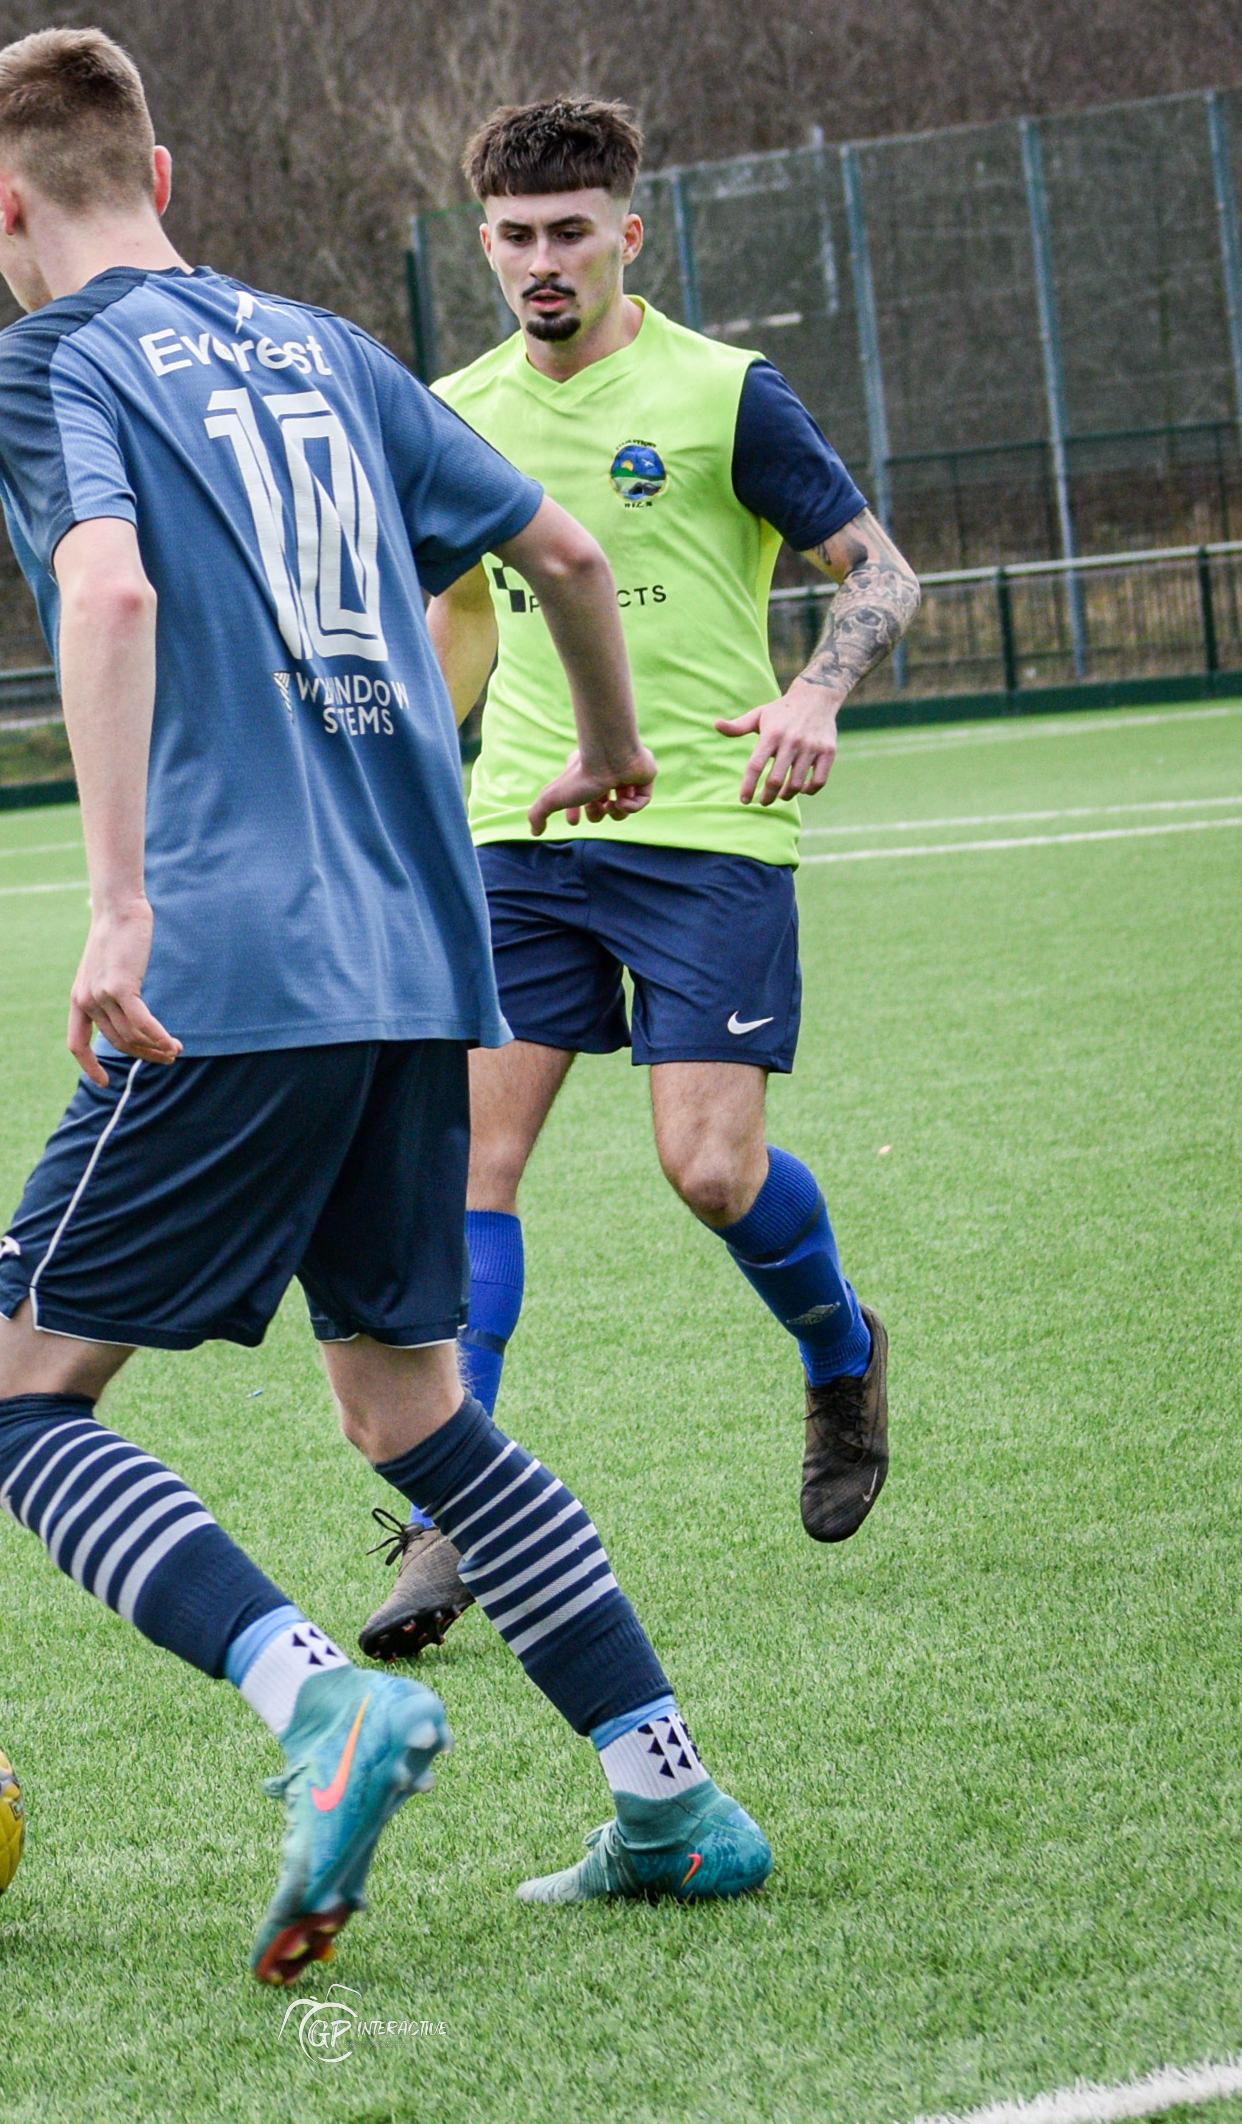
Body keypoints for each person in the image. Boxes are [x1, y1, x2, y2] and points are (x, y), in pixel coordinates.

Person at [0, 27, 773, 1983]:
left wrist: (121, 900)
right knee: (407, 1400)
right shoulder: (324, 341)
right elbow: (560, 546)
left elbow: (111, 596)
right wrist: (619, 745)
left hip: (238, 959)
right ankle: (671, 1798)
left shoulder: (43, 359)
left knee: (9, 1411)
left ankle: (317, 1691)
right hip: (423, 953)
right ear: (171, 165)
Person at [361, 96, 920, 1663]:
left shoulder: (725, 392)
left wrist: (815, 693)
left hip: (708, 831)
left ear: (628, 234)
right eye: (518, 238)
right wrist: (410, 753)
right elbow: (455, 616)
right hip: (521, 840)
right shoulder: (453, 410)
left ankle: (839, 1348)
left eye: (572, 232)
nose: (546, 262)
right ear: (484, 244)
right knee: (467, 1165)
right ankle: (448, 1508)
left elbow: (882, 572)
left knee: (712, 1174)